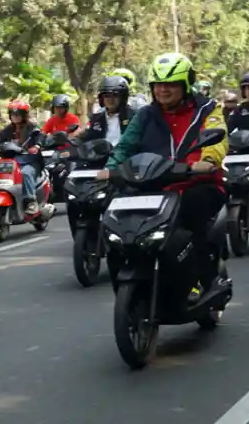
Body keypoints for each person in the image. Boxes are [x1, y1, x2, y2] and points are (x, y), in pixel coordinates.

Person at [97, 53, 227, 302]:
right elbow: (126, 146)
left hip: (197, 183)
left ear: (186, 84)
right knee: (117, 217)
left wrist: (207, 161)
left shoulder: (208, 109)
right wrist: (110, 169)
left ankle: (204, 281)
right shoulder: (145, 114)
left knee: (192, 214)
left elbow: (217, 136)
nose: (163, 90)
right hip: (152, 185)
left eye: (171, 84)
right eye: (158, 84)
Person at [0, 101, 43, 214]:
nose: (15, 116)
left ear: (24, 115)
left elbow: (41, 137)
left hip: (30, 161)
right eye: (13, 114)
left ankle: (31, 201)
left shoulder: (32, 128)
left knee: (25, 173)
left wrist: (37, 146)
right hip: (12, 161)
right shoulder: (8, 129)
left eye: (18, 114)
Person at [80, 76, 136, 145]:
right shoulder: (97, 118)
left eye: (115, 95)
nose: (110, 99)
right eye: (106, 96)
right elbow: (88, 136)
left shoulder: (133, 117)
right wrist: (77, 138)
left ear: (122, 97)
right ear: (101, 98)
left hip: (126, 154)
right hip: (101, 154)